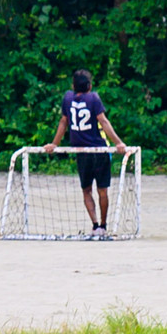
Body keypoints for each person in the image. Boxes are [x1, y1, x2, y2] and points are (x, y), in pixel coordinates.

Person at [42, 68, 129, 238]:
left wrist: (54, 143)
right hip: (99, 150)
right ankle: (102, 226)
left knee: (86, 190)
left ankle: (96, 225)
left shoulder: (67, 98)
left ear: (73, 85)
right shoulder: (93, 98)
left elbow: (63, 122)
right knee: (102, 190)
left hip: (82, 151)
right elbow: (103, 121)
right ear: (89, 86)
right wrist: (118, 143)